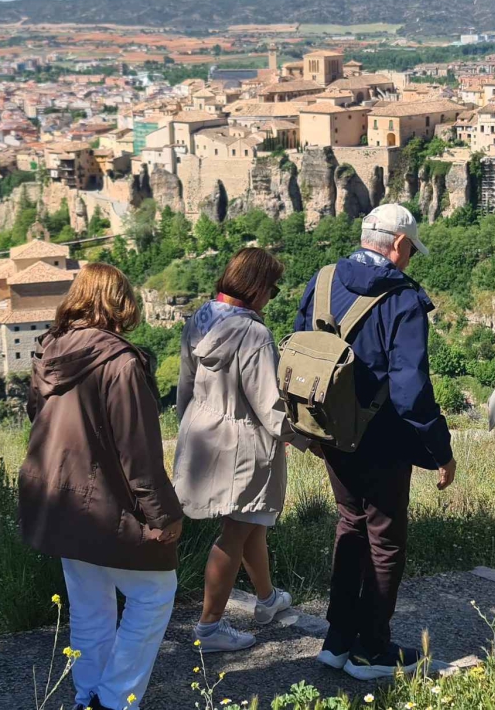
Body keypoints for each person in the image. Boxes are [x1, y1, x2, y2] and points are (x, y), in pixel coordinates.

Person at [294, 203, 455, 681]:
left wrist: (306, 425)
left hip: (331, 431)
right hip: (382, 438)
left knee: (351, 525)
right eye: (411, 251)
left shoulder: (323, 280)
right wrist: (440, 450)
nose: (410, 259)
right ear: (399, 244)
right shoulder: (403, 298)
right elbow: (411, 390)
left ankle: (338, 639)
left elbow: (302, 352)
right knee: (385, 540)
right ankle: (371, 651)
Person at [18, 263, 183, 710]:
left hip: (58, 498)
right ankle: (114, 700)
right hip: (106, 502)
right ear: (121, 302)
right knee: (155, 594)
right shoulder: (121, 363)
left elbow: (36, 416)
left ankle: (88, 694)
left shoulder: (48, 351)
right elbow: (138, 452)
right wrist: (164, 515)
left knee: (89, 604)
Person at [172, 248, 293, 652]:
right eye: (273, 288)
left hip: (204, 434)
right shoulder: (254, 334)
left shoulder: (200, 318)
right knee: (235, 532)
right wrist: (306, 439)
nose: (272, 296)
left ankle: (267, 599)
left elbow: (185, 386)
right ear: (257, 287)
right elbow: (270, 405)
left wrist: (188, 429)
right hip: (244, 443)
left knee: (251, 521)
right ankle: (209, 627)